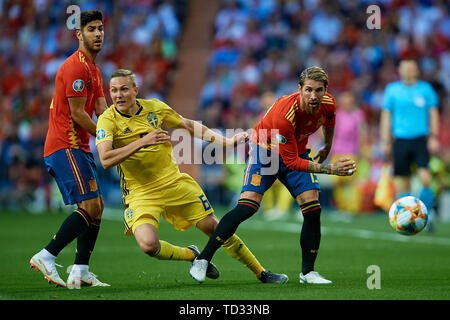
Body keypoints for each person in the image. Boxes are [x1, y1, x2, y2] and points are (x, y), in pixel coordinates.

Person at [95, 69, 288, 284]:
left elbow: (188, 125)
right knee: (149, 246)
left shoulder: (155, 108)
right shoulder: (107, 120)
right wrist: (142, 141)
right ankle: (192, 254)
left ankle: (261, 272)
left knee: (214, 228)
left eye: (123, 89)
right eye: (113, 90)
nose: (118, 95)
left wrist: (226, 142)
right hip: (140, 192)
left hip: (174, 182)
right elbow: (105, 159)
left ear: (135, 90)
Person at [190, 66, 356, 284]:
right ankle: (203, 259)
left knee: (313, 208)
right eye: (308, 90)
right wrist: (332, 169)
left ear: (326, 90)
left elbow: (330, 122)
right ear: (299, 89)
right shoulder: (284, 115)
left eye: (319, 90)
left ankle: (308, 273)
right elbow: (292, 163)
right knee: (247, 206)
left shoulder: (329, 103)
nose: (313, 96)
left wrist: (327, 146)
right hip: (264, 152)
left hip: (295, 150)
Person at [29, 10, 109, 289]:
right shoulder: (75, 66)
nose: (98, 33)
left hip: (78, 147)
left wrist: (122, 133)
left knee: (96, 208)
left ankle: (80, 270)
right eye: (91, 29)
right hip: (65, 145)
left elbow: (103, 111)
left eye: (100, 28)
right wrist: (104, 138)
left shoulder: (95, 71)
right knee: (89, 205)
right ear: (79, 34)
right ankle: (47, 255)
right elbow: (77, 114)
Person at [380, 59, 440, 229]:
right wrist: (385, 141)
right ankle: (406, 218)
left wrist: (434, 137)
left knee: (425, 177)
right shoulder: (392, 90)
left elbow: (433, 113)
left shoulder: (425, 89)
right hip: (400, 139)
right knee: (403, 180)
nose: (408, 71)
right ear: (399, 70)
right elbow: (386, 116)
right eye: (405, 68)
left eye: (411, 68)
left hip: (420, 138)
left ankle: (427, 214)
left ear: (416, 71)